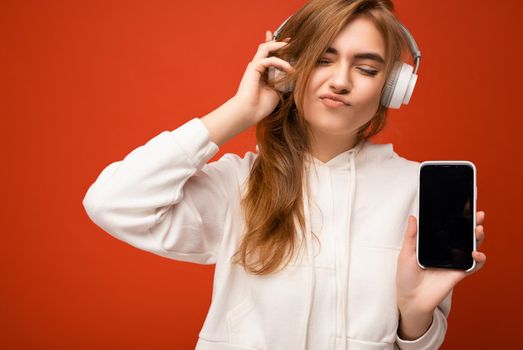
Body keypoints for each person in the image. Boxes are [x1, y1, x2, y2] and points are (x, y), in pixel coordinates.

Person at [82, 0, 487, 349]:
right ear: (289, 69)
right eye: (323, 60)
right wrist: (240, 111)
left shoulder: (418, 190)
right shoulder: (237, 185)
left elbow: (420, 344)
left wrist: (415, 313)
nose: (341, 81)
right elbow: (112, 202)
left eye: (366, 69)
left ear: (392, 89)